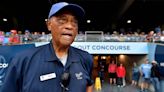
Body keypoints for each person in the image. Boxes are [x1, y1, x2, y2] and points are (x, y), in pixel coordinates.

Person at [1, 2, 93, 92]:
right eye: (62, 21)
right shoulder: (23, 60)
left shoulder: (85, 58)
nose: (69, 26)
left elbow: (89, 85)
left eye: (74, 22)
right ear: (49, 25)